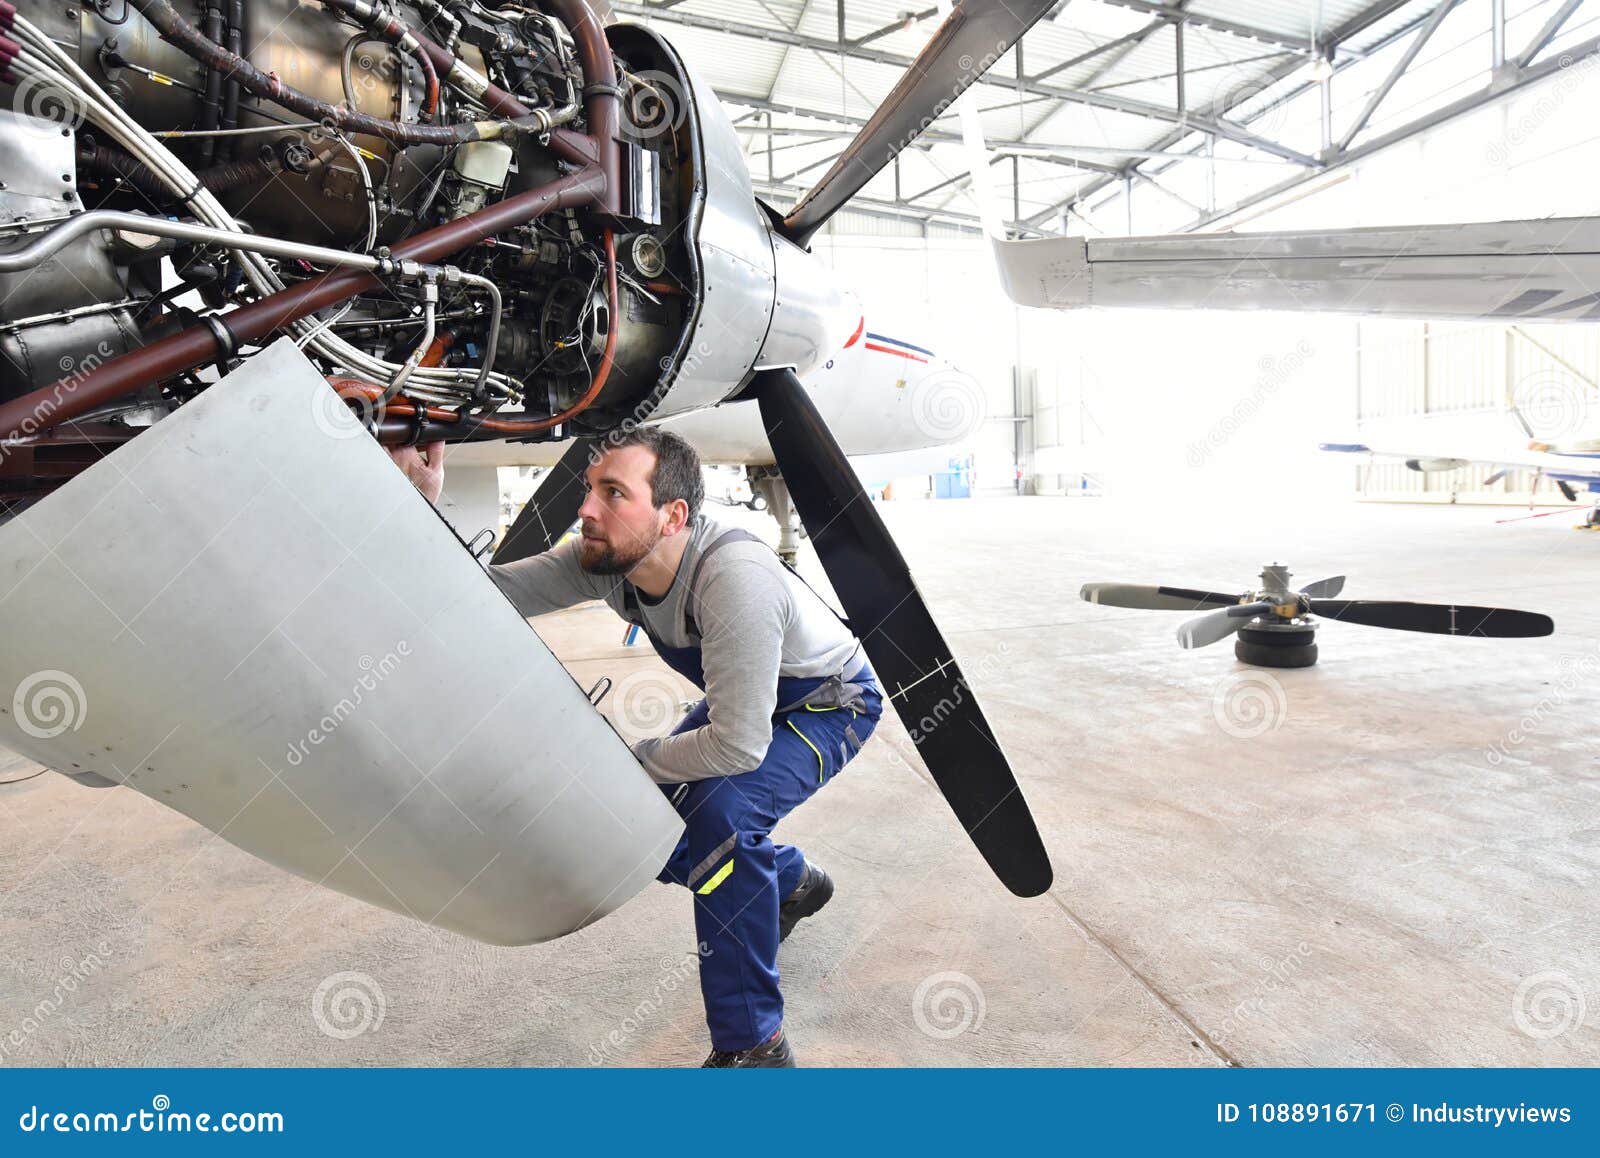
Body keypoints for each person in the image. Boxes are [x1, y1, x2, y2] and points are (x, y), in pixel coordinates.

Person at [388, 430, 882, 1067]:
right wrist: (423, 504)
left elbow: (737, 745)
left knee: (721, 826)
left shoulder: (734, 581)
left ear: (673, 515)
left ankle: (755, 1044)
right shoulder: (608, 563)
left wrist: (637, 759)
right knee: (633, 820)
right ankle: (788, 884)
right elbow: (481, 597)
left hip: (826, 705)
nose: (585, 509)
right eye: (591, 489)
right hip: (745, 700)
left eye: (613, 493)